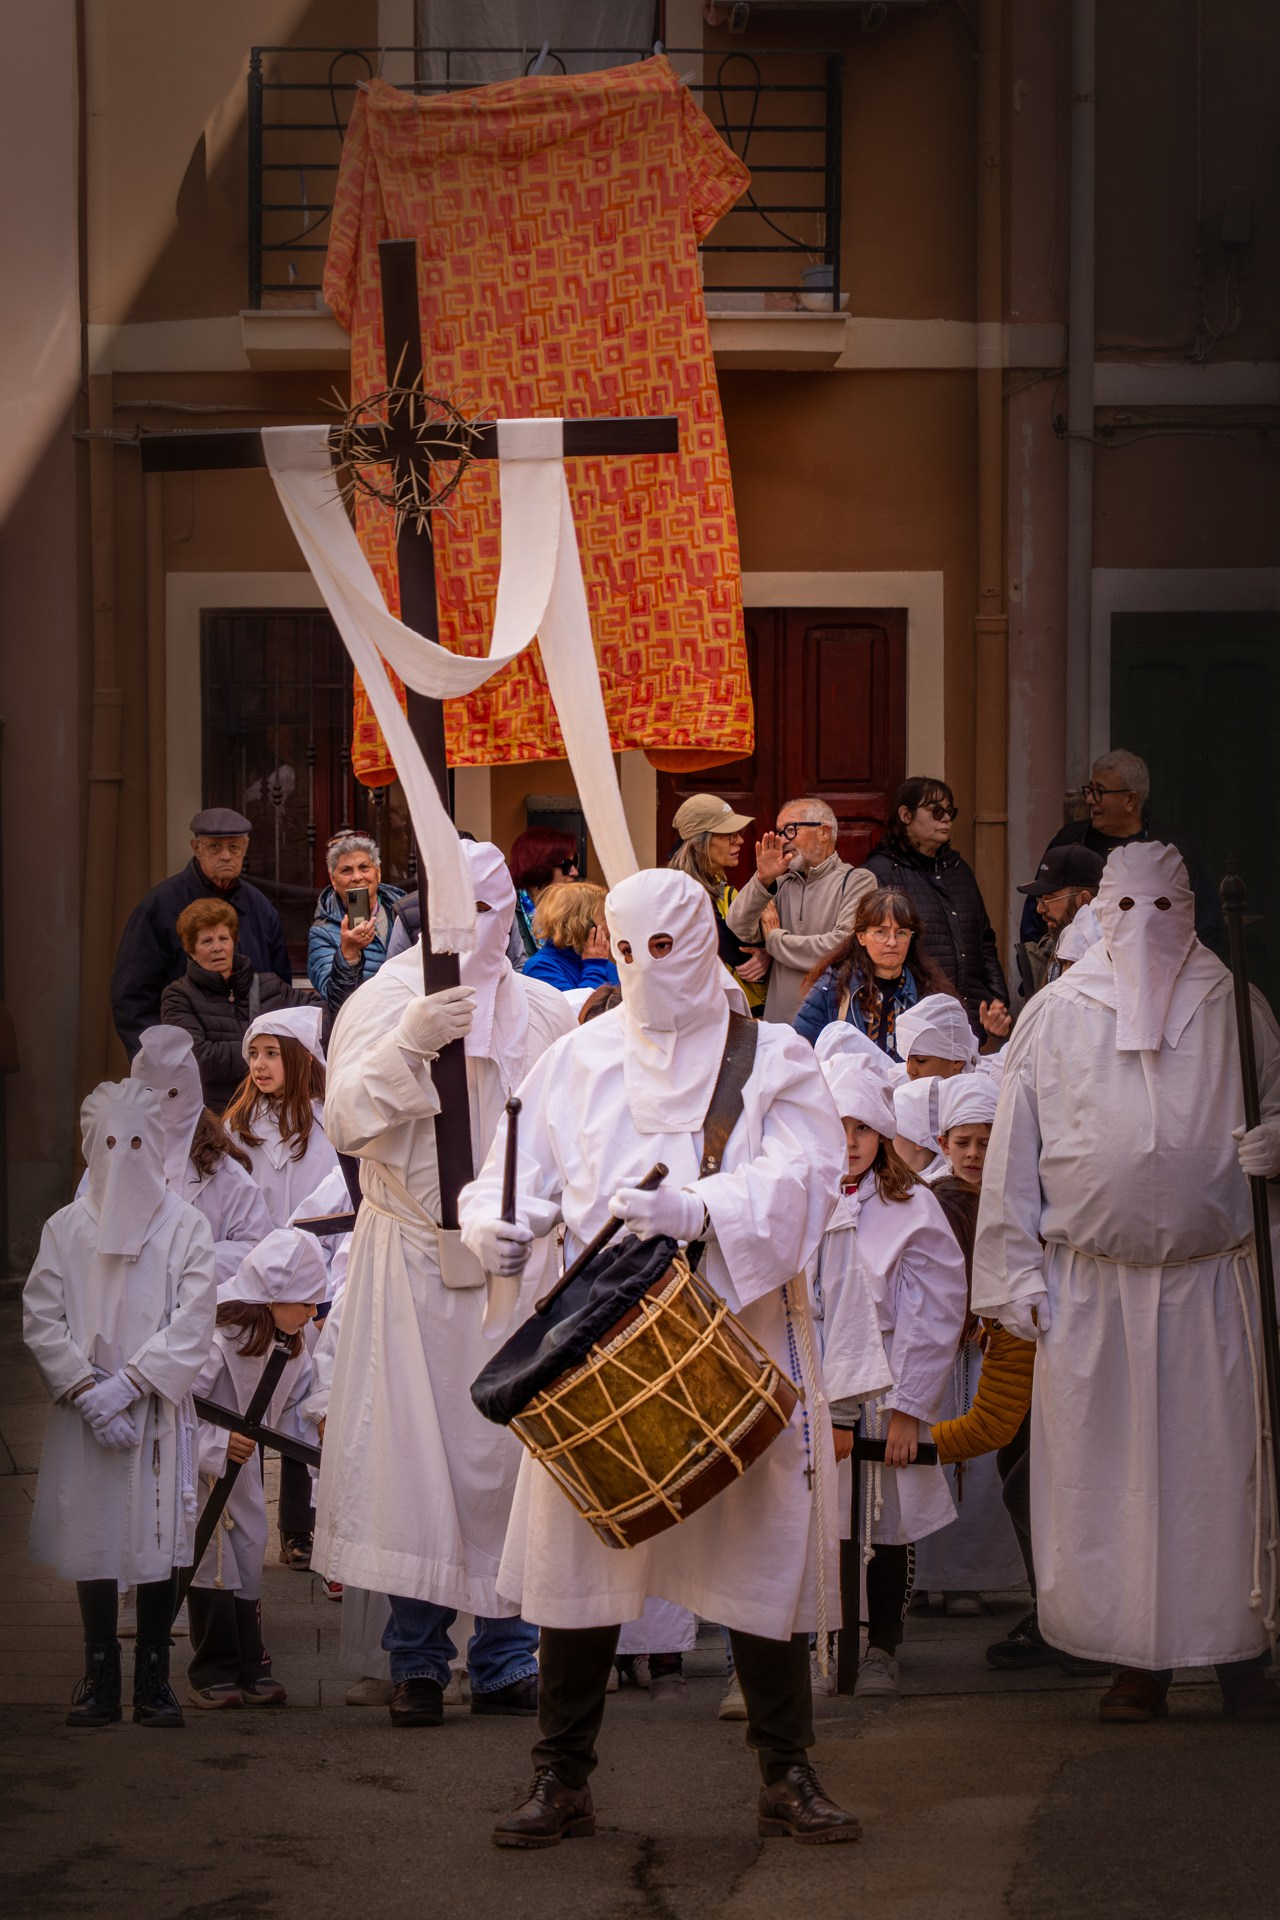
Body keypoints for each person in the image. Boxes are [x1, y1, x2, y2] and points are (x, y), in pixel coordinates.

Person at [460, 868, 862, 1848]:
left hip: (735, 1340)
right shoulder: (575, 1059)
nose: (643, 972)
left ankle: (784, 1767)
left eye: (664, 948)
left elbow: (810, 1178)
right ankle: (561, 1778)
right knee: (579, 1557)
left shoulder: (770, 1057)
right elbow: (505, 1173)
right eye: (624, 950)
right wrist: (496, 1226)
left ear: (705, 943)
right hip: (601, 1348)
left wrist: (707, 1213)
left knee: (758, 1551)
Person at [973, 841, 1280, 1723]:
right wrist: (1012, 1269)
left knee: (1223, 1476)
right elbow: (1014, 1151)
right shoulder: (1058, 1013)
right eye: (1126, 910)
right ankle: (1130, 1661)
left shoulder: (1233, 1003)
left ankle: (1237, 1650)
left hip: (1213, 1286)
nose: (1144, 930)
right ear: (1099, 916)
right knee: (1105, 1481)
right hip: (1091, 1290)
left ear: (1188, 912)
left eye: (1163, 909)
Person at [312, 840, 576, 1729]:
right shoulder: (384, 999)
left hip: (511, 1270)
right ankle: (417, 1662)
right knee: (415, 1465)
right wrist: (410, 1046)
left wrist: (537, 1222)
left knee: (511, 1459)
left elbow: (568, 1137)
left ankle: (505, 1658)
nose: (485, 933)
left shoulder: (541, 1011)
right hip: (415, 1261)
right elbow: (346, 1120)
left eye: (498, 913)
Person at [23, 1080, 217, 1729]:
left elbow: (195, 1317)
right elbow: (41, 1317)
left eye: (137, 1141)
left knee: (157, 1535)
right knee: (96, 1531)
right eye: (109, 1141)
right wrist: (85, 1388)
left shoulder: (186, 1226)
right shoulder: (66, 1229)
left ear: (157, 1146)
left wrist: (131, 1384)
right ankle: (100, 1674)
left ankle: (154, 1678)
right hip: (88, 1419)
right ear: (88, 1146)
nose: (123, 1154)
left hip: (154, 1410)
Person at [806, 1053, 968, 1699]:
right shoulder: (800, 1199)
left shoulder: (911, 1208)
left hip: (883, 1378)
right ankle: (828, 1639)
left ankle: (882, 1645)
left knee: (884, 1518)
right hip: (814, 1382)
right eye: (837, 1127)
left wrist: (908, 1407)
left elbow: (935, 1311)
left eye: (862, 1130)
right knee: (821, 1522)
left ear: (882, 1136)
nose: (849, 1143)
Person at [187, 1229, 326, 1708]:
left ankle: (252, 1662)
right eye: (306, 1303)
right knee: (209, 1554)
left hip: (243, 1465)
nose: (313, 1314)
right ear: (272, 1297)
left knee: (247, 1547)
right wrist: (216, 1443)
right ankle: (212, 1666)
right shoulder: (212, 1336)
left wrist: (320, 1423)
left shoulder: (291, 1338)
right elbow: (178, 1408)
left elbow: (297, 1401)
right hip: (202, 1466)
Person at [914, 1073, 1026, 1616]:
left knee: (980, 1471)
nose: (975, 1154)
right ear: (943, 1145)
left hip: (993, 1347)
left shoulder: (1016, 1199)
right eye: (964, 1143)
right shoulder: (931, 1201)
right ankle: (925, 1575)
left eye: (985, 1141)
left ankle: (971, 1578)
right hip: (946, 1348)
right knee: (938, 1456)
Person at [111, 808, 291, 1056]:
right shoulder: (160, 907)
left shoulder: (260, 908)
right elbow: (133, 1000)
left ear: (246, 848)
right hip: (184, 1064)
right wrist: (158, 1062)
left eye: (234, 847)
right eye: (215, 848)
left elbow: (280, 988)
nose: (226, 856)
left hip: (253, 1065)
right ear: (196, 848)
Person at [1018, 749, 1226, 955]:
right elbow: (1036, 908)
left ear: (1130, 800)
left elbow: (1207, 926)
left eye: (1100, 791)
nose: (1090, 799)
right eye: (1089, 789)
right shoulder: (1070, 840)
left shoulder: (1176, 849)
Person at [863, 778, 1010, 1042]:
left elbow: (984, 940)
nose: (946, 820)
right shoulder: (880, 872)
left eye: (950, 813)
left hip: (969, 1016)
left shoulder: (959, 870)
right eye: (936, 811)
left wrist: (996, 998)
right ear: (906, 815)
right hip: (915, 1015)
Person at [129, 1025, 273, 1283]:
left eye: (173, 1094)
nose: (161, 1108)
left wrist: (190, 1262)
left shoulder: (225, 1173)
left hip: (199, 1311)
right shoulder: (108, 1168)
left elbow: (256, 1245)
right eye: (149, 1094)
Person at [724, 798, 874, 1025]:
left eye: (791, 830)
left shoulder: (857, 881)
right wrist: (762, 880)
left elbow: (842, 948)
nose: (782, 840)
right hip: (779, 1027)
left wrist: (774, 942)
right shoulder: (779, 883)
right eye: (779, 832)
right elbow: (738, 929)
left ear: (824, 832)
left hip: (831, 1026)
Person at [160, 899, 319, 1111]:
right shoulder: (178, 996)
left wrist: (289, 1049)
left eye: (223, 938)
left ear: (234, 942)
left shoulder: (268, 984)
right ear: (192, 951)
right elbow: (198, 1059)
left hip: (276, 1114)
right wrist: (272, 1051)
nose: (217, 947)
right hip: (216, 1117)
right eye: (207, 941)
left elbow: (319, 1013)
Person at [793, 887, 957, 1059]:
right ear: (861, 937)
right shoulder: (833, 986)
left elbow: (951, 1060)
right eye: (881, 932)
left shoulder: (928, 993)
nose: (892, 942)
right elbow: (799, 1052)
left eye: (901, 933)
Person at [223, 1008, 339, 1230]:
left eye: (271, 1053)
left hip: (318, 1252)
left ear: (304, 1058)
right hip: (254, 1251)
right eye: (254, 1053)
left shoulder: (329, 1120)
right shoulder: (240, 1124)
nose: (258, 1064)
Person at [667, 792, 769, 1014]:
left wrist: (767, 956)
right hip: (711, 1014)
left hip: (740, 1009)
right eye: (728, 835)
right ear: (699, 842)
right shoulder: (680, 894)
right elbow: (736, 954)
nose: (740, 840)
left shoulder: (718, 888)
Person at [307, 831, 406, 1018]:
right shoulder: (323, 932)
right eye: (346, 870)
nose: (357, 877)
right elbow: (336, 1001)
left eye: (364, 867)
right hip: (362, 1027)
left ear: (378, 872)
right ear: (333, 880)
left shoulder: (405, 912)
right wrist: (348, 955)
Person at [1012, 844, 1104, 1005]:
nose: (1040, 908)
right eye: (1039, 899)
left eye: (1049, 898)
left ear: (1083, 899)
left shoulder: (1107, 963)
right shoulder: (1049, 951)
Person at [521, 882, 619, 997]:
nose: (611, 925)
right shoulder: (540, 967)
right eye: (605, 918)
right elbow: (581, 1011)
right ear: (583, 924)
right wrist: (594, 966)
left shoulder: (606, 964)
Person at [508, 826, 582, 964]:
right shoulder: (507, 914)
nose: (574, 872)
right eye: (567, 865)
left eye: (575, 862)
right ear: (540, 867)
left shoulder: (571, 912)